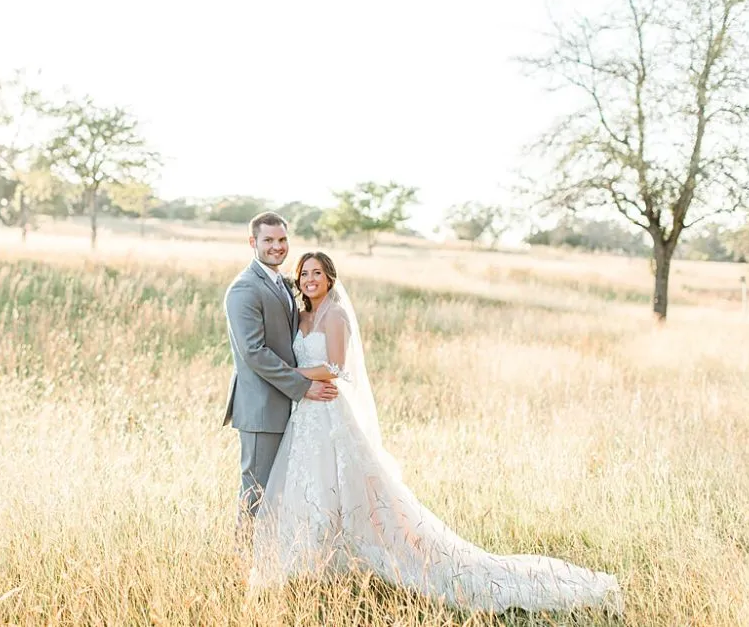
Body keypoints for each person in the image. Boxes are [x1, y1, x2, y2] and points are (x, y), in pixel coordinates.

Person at [249, 251, 625, 615]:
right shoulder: (302, 316)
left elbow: (335, 366)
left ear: (330, 277)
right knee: (309, 486)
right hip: (306, 416)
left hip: (330, 411)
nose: (310, 280)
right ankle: (314, 566)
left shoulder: (336, 315)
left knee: (354, 487)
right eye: (304, 274)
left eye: (317, 273)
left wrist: (293, 376)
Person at [223, 212, 338, 546]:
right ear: (252, 243)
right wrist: (302, 387)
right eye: (268, 240)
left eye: (282, 240)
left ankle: (274, 556)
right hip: (261, 407)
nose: (277, 247)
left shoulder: (281, 282)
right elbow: (254, 352)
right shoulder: (244, 289)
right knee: (256, 491)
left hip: (286, 405)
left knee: (279, 491)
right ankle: (244, 560)